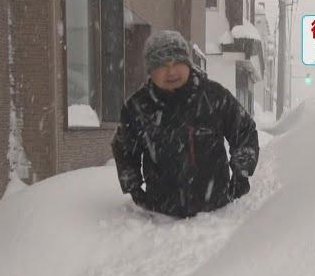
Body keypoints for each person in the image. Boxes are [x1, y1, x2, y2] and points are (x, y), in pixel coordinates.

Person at [111, 30, 259, 218]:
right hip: (161, 218)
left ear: (188, 64)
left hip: (216, 215)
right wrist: (133, 188)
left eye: (177, 63)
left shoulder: (213, 96)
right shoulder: (138, 107)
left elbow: (244, 130)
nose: (171, 71)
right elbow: (124, 148)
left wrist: (241, 173)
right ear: (150, 70)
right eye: (162, 65)